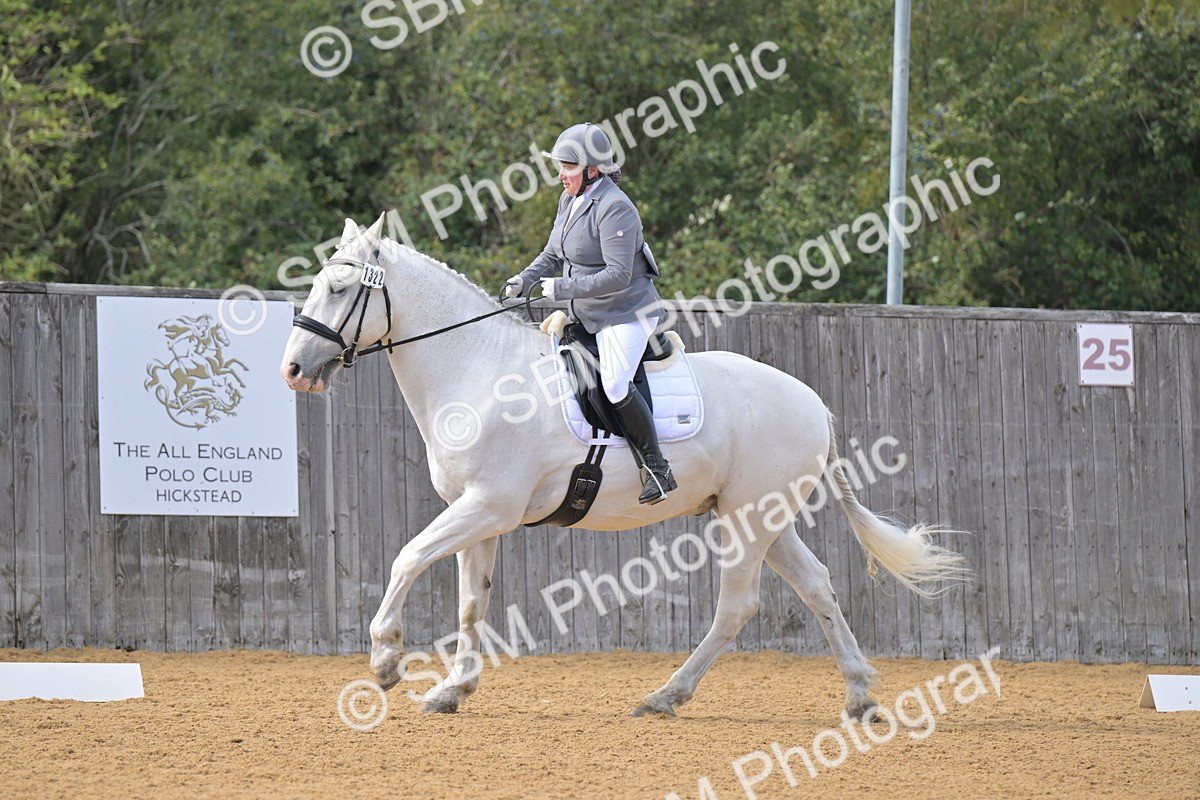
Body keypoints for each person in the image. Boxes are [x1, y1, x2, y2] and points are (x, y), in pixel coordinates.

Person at [502, 122, 677, 505]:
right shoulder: (570, 200)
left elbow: (617, 275)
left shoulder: (617, 208)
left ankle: (657, 469)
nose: (560, 174)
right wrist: (523, 279)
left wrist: (561, 289)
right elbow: (552, 253)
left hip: (627, 312)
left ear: (592, 170)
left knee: (615, 383)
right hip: (592, 312)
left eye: (568, 166)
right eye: (561, 166)